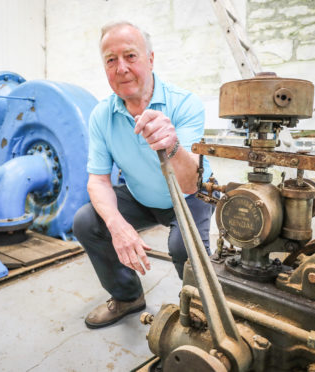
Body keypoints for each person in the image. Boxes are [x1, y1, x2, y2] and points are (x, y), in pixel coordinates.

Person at [72, 21, 214, 329]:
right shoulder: (102, 114)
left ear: (150, 59)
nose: (121, 68)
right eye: (111, 60)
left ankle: (204, 313)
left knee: (183, 246)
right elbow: (97, 180)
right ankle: (127, 297)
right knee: (87, 222)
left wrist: (172, 144)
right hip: (141, 195)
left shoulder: (184, 103)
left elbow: (191, 182)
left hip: (191, 196)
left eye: (130, 56)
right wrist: (117, 226)